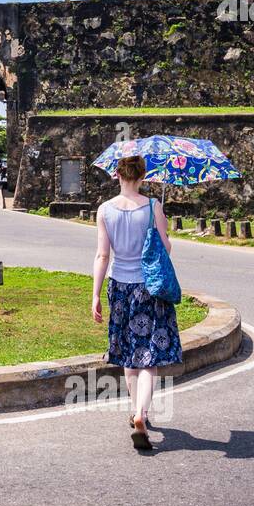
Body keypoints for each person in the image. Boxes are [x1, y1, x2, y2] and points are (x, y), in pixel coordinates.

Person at [91, 155, 182, 451]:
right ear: (144, 175)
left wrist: (95, 294)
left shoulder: (105, 210)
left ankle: (134, 412)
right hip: (149, 288)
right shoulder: (153, 206)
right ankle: (142, 412)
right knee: (149, 357)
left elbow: (103, 255)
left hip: (119, 286)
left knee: (130, 354)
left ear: (116, 174)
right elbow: (165, 249)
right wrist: (161, 228)